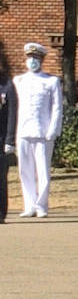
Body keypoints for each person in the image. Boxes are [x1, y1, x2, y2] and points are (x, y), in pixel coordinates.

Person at [13, 42, 62, 218]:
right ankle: (29, 205)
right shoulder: (19, 81)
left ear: (42, 60)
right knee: (24, 170)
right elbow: (14, 107)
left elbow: (57, 107)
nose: (32, 61)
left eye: (36, 58)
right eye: (30, 58)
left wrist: (53, 129)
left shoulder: (51, 81)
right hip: (23, 130)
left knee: (42, 170)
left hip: (43, 132)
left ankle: (41, 205)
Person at [0, 69, 16, 224]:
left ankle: (0, 213)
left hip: (1, 139)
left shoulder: (7, 86)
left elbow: (12, 114)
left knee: (0, 179)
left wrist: (10, 140)